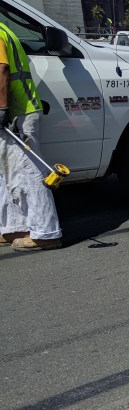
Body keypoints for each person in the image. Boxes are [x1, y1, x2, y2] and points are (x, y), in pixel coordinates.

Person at [0, 21, 62, 252]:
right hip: (15, 111)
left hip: (17, 112)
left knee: (30, 173)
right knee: (8, 174)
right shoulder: (3, 28)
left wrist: (2, 109)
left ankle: (46, 233)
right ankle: (14, 228)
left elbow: (1, 70)